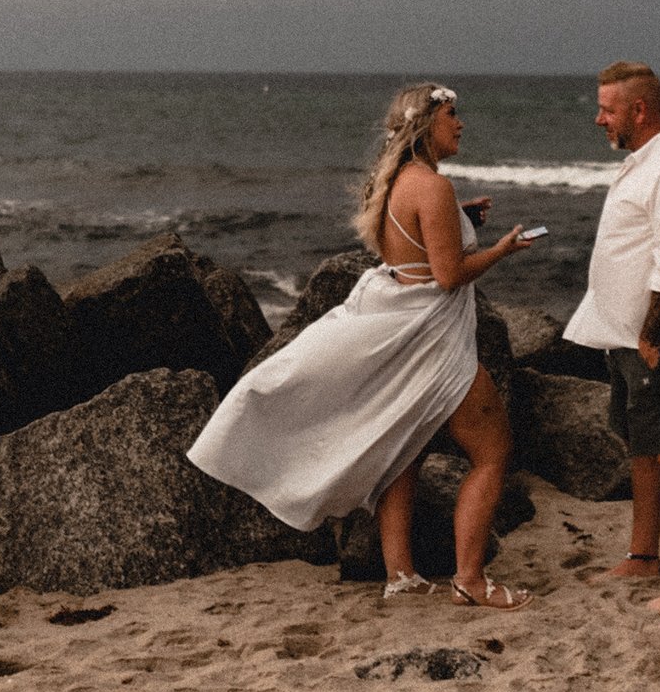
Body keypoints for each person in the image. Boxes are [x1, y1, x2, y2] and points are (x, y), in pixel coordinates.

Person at [187, 81, 538, 609]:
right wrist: (502, 250)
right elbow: (447, 275)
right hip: (432, 338)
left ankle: (401, 575)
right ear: (426, 125)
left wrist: (461, 218)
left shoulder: (399, 180)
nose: (460, 123)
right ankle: (471, 578)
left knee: (404, 447)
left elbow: (416, 246)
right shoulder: (433, 188)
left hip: (405, 323)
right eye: (452, 114)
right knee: (492, 451)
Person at [564, 61, 660, 615]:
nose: (599, 118)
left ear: (639, 110)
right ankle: (644, 555)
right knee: (642, 447)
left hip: (655, 339)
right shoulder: (642, 164)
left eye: (607, 109)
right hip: (626, 337)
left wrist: (652, 336)